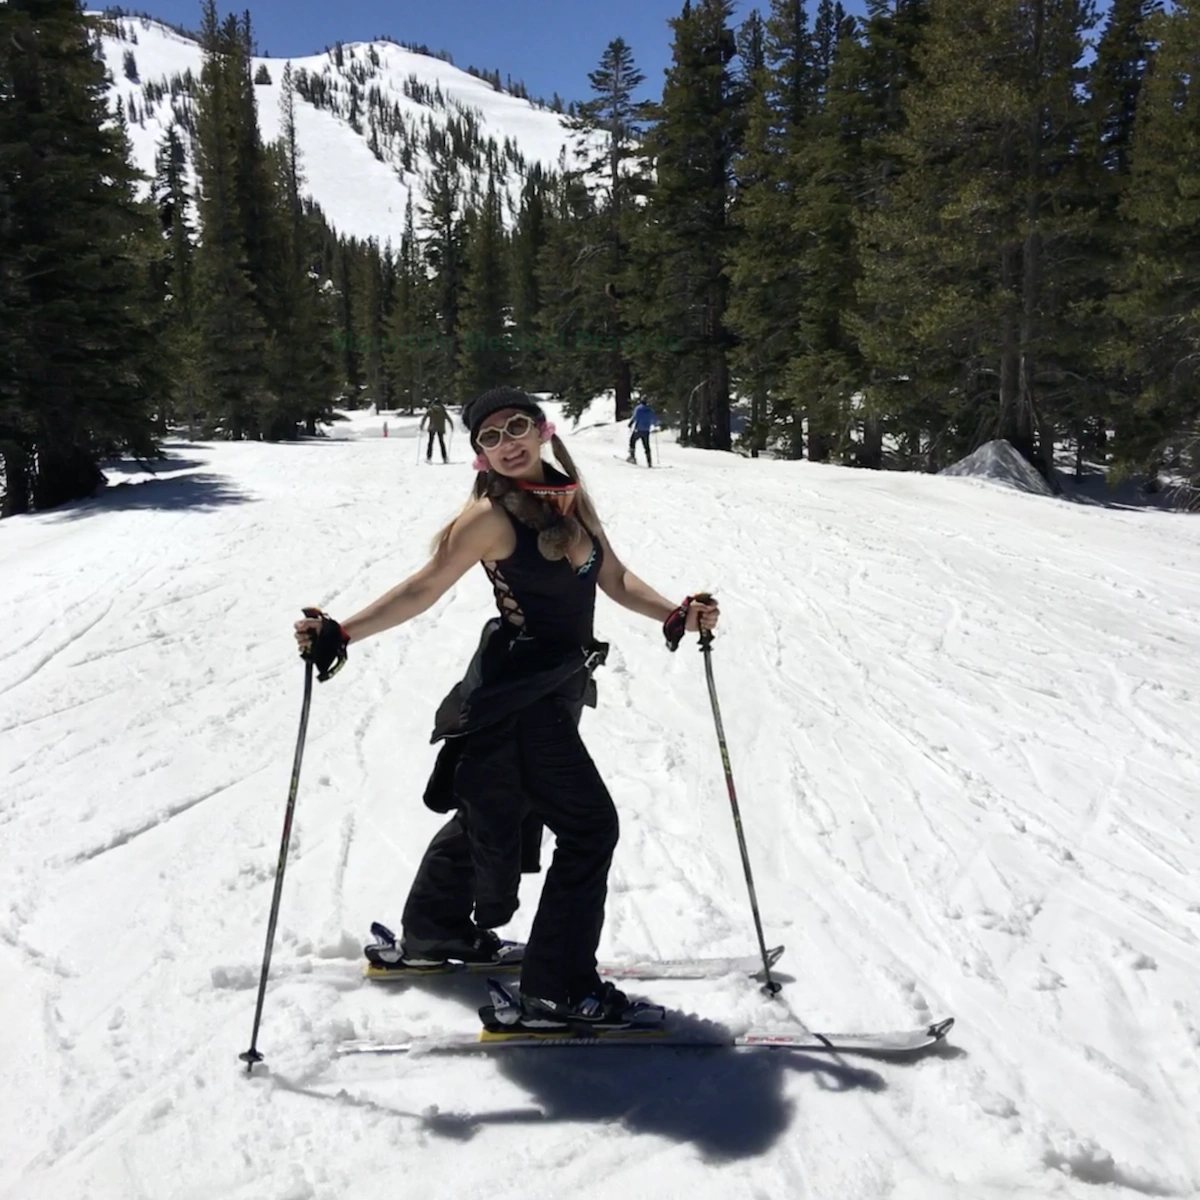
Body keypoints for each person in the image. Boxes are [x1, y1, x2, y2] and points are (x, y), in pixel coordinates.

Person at [294, 386, 718, 1027]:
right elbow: (423, 587)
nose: (506, 443)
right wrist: (342, 631)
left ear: (541, 429)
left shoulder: (566, 492)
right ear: (479, 455)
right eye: (488, 438)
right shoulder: (490, 517)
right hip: (519, 693)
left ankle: (436, 932)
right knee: (589, 828)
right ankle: (556, 988)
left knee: (496, 804)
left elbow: (613, 577)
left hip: (556, 684)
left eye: (515, 427)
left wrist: (676, 614)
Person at [627, 400, 656, 466]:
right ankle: (649, 462)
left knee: (632, 441)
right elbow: (654, 419)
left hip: (638, 429)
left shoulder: (638, 408)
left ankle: (632, 457)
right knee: (646, 446)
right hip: (646, 430)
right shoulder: (650, 410)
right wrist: (654, 423)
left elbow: (635, 417)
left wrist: (630, 423)